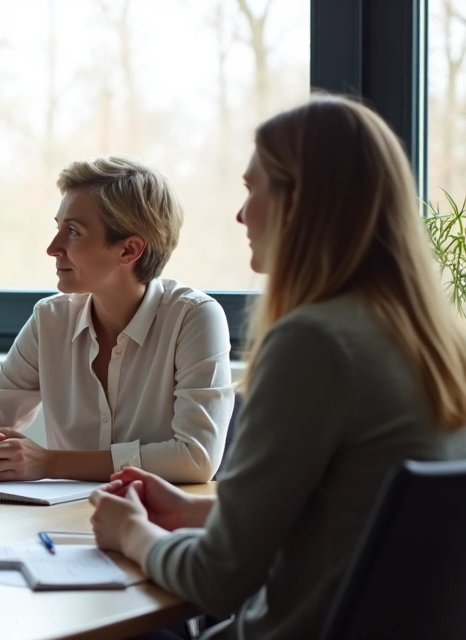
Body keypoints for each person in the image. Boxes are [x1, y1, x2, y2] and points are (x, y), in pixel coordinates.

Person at [89, 95, 466, 639]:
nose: (241, 214)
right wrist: (192, 514)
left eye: (252, 189)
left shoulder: (316, 344)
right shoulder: (438, 343)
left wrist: (131, 533)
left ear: (300, 201)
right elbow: (346, 524)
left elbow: (216, 579)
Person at [0, 156, 234, 485]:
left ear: (129, 250)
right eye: (58, 228)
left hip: (156, 525)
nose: (53, 248)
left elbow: (196, 458)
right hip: (61, 524)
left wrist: (49, 463)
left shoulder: (194, 317)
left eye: (73, 232)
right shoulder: (50, 319)